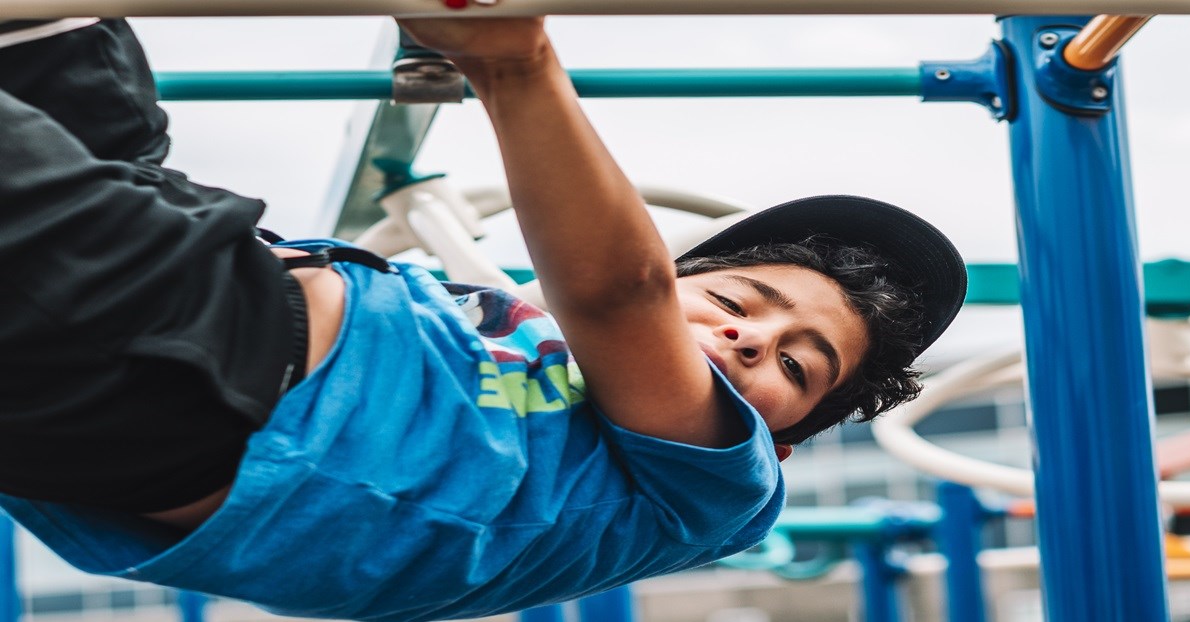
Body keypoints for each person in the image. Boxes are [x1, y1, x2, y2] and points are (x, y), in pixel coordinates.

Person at [0, 11, 966, 622]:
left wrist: (515, 63)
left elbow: (620, 294)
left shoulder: (708, 490)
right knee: (64, 50)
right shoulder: (504, 331)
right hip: (172, 340)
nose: (752, 337)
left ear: (781, 443)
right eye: (734, 301)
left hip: (213, 370)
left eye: (797, 368)